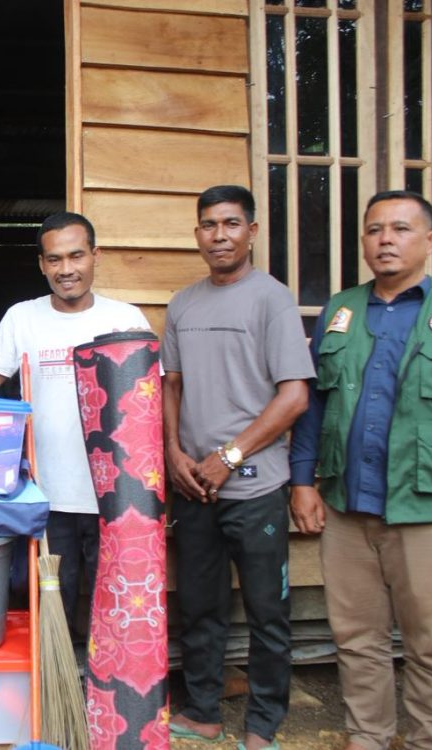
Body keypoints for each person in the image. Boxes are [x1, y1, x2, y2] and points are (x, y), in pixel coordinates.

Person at [0, 211, 151, 644]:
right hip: (48, 494)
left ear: (96, 255)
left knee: (112, 611)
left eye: (76, 256)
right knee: (52, 612)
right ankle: (56, 687)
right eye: (54, 259)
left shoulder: (126, 320)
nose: (66, 269)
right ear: (41, 264)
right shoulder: (22, 318)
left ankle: (103, 687)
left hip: (115, 495)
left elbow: (147, 407)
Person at [289, 191, 432, 750]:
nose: (385, 240)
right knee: (358, 640)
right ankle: (367, 738)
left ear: (430, 240)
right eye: (375, 229)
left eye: (401, 229)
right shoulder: (343, 311)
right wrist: (303, 481)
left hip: (429, 507)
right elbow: (314, 405)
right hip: (347, 505)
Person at [162, 185, 313, 750]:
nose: (219, 235)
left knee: (268, 612)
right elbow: (171, 385)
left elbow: (294, 397)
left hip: (256, 487)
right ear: (197, 234)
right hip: (196, 489)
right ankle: (203, 712)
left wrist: (229, 456)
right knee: (199, 607)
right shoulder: (183, 304)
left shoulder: (272, 299)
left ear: (251, 231)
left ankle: (263, 723)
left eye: (230, 224)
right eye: (208, 225)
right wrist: (174, 453)